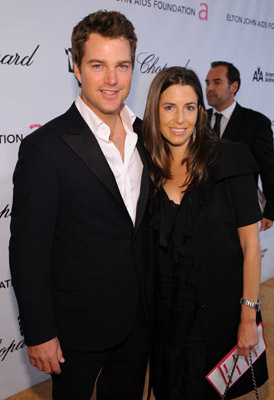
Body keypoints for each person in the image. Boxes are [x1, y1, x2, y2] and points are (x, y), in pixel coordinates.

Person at [9, 10, 150, 400]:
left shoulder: (147, 136)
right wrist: (39, 332)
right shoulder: (44, 148)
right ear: (75, 67)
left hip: (139, 320)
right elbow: (28, 249)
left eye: (122, 66)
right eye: (97, 65)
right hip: (76, 328)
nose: (112, 80)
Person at [142, 66, 268, 400]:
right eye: (169, 107)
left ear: (201, 110)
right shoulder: (148, 169)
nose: (180, 118)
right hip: (164, 321)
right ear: (155, 111)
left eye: (190, 107)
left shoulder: (230, 159)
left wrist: (247, 317)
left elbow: (251, 246)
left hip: (211, 319)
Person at [205, 61, 274, 231]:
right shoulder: (198, 120)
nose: (209, 88)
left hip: (240, 216)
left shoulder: (256, 123)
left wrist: (270, 210)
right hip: (201, 212)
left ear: (233, 86)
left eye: (217, 82)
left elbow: (268, 168)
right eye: (207, 83)